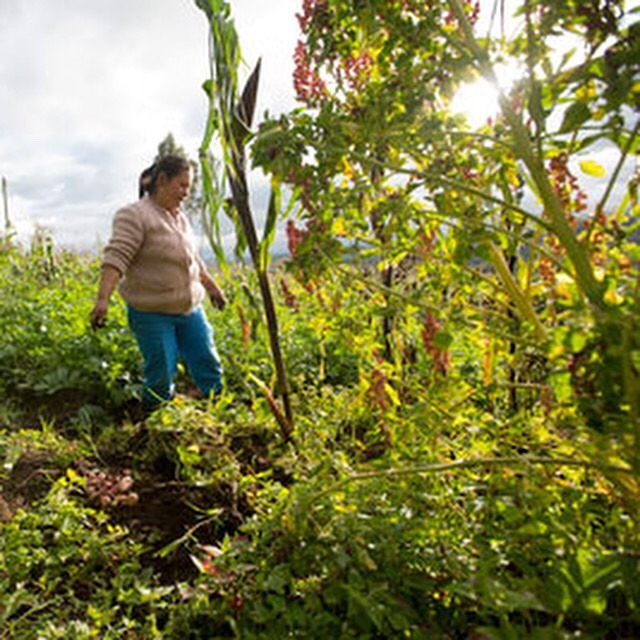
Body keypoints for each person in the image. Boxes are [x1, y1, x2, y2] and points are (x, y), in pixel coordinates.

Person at [90, 154, 226, 410]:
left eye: (189, 186)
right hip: (152, 312)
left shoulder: (180, 218)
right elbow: (116, 258)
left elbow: (192, 259)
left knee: (206, 357)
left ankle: (217, 405)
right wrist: (102, 300)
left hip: (190, 309)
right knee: (162, 367)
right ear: (162, 180)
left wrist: (211, 287)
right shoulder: (135, 215)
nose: (186, 192)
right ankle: (155, 415)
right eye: (182, 185)